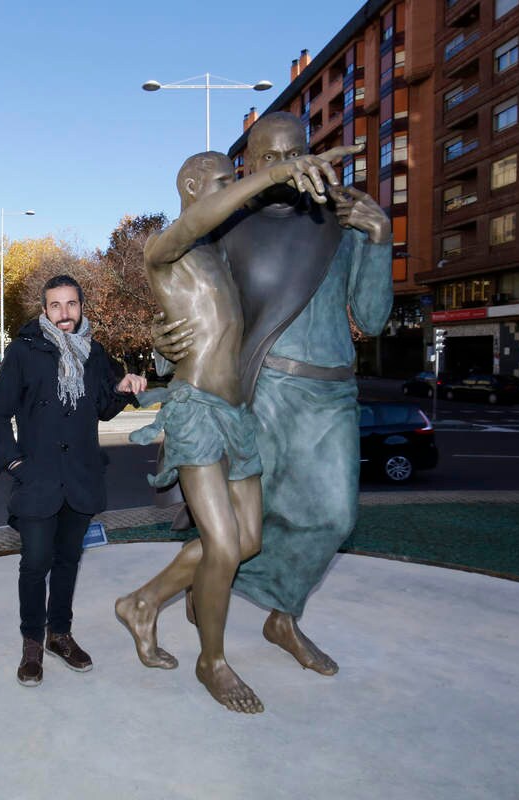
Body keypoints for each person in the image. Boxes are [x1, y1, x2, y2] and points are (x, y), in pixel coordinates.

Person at [116, 148, 357, 713]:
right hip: (196, 409)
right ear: (194, 185)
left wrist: (158, 337)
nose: (237, 191)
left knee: (247, 541)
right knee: (222, 544)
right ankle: (213, 662)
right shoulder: (166, 248)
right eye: (226, 182)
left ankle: (144, 601)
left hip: (237, 413)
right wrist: (270, 175)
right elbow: (193, 225)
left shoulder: (219, 255)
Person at [155, 112, 393, 676]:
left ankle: (273, 610)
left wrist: (379, 237)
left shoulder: (344, 219)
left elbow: (375, 318)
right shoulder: (229, 225)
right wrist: (161, 342)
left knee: (333, 517)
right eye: (270, 158)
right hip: (255, 392)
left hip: (330, 393)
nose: (286, 165)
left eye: (295, 152)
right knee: (245, 530)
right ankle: (220, 585)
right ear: (250, 166)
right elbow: (195, 311)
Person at [0, 274, 147, 687]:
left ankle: (60, 635)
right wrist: (15, 463)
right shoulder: (24, 352)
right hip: (38, 481)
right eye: (55, 306)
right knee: (35, 564)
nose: (64, 313)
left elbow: (103, 407)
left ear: (81, 307)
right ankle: (31, 644)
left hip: (80, 478)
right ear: (44, 310)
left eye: (71, 305)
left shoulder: (94, 353)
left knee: (67, 563)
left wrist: (126, 388)